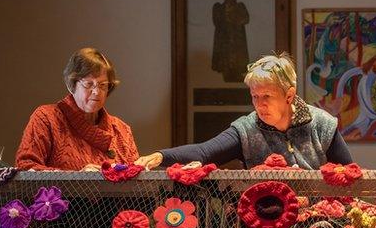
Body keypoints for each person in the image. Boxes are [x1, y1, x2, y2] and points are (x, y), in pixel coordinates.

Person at [136, 53, 353, 170]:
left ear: (289, 95)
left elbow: (350, 174)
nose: (259, 105)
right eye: (254, 96)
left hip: (318, 223)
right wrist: (159, 156)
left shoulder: (323, 124)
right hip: (264, 224)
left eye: (267, 96)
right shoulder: (247, 129)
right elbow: (204, 152)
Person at [15, 48, 139, 170]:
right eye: (89, 84)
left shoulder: (122, 131)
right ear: (72, 85)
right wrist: (79, 178)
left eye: (102, 85)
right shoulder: (46, 118)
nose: (96, 91)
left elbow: (137, 183)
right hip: (62, 191)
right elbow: (25, 167)